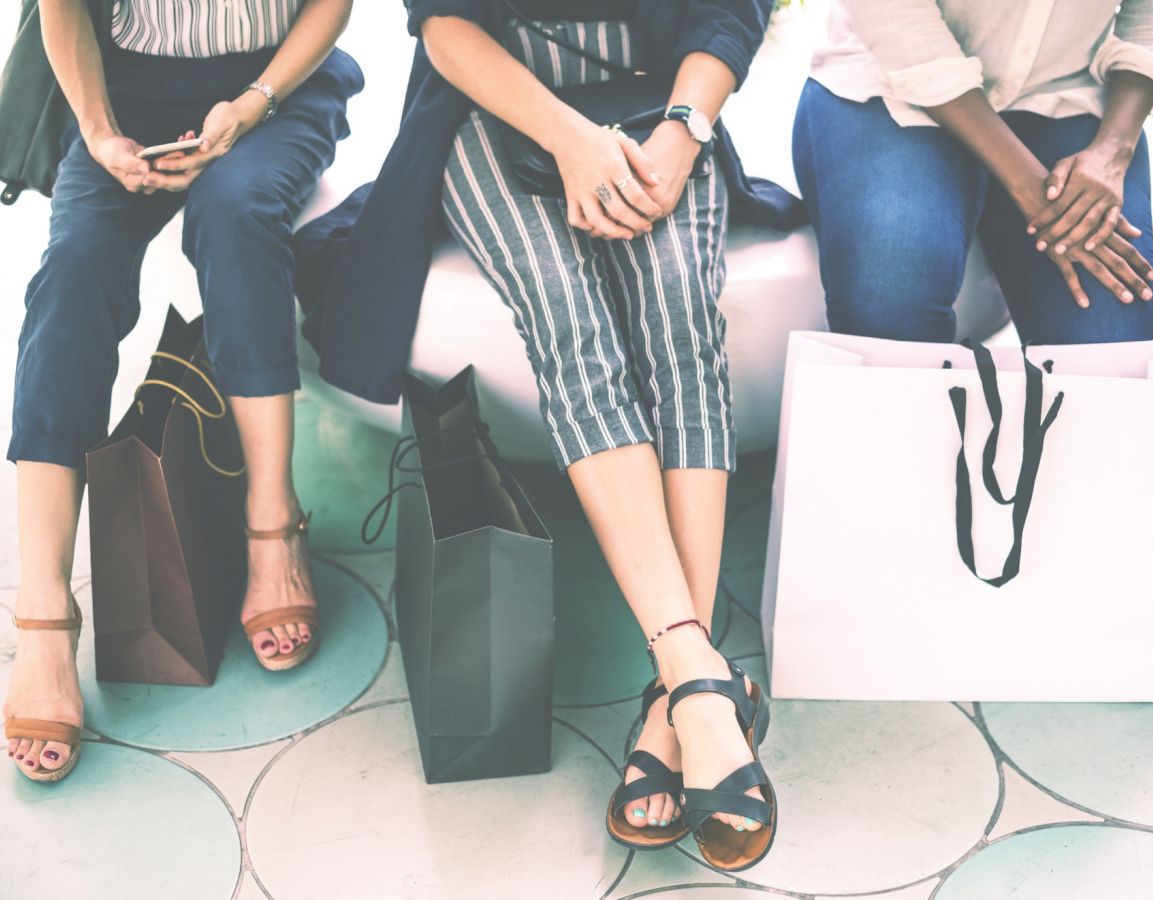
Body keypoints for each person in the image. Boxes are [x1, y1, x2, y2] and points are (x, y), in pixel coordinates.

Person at [295, 0, 803, 873]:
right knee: (570, 322)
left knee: (683, 317)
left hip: (668, 106)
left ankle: (677, 699)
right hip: (493, 108)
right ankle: (698, 675)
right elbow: (443, 22)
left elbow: (731, 11)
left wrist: (685, 130)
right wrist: (571, 137)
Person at [3, 0, 362, 783]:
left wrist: (251, 104)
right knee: (69, 274)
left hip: (277, 86)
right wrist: (97, 132)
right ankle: (44, 617)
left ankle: (274, 524)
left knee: (235, 215)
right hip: (122, 90)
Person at [793, 0, 1153, 344]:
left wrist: (1113, 149)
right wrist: (1027, 184)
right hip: (888, 81)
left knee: (1115, 342)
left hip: (1063, 91)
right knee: (891, 296)